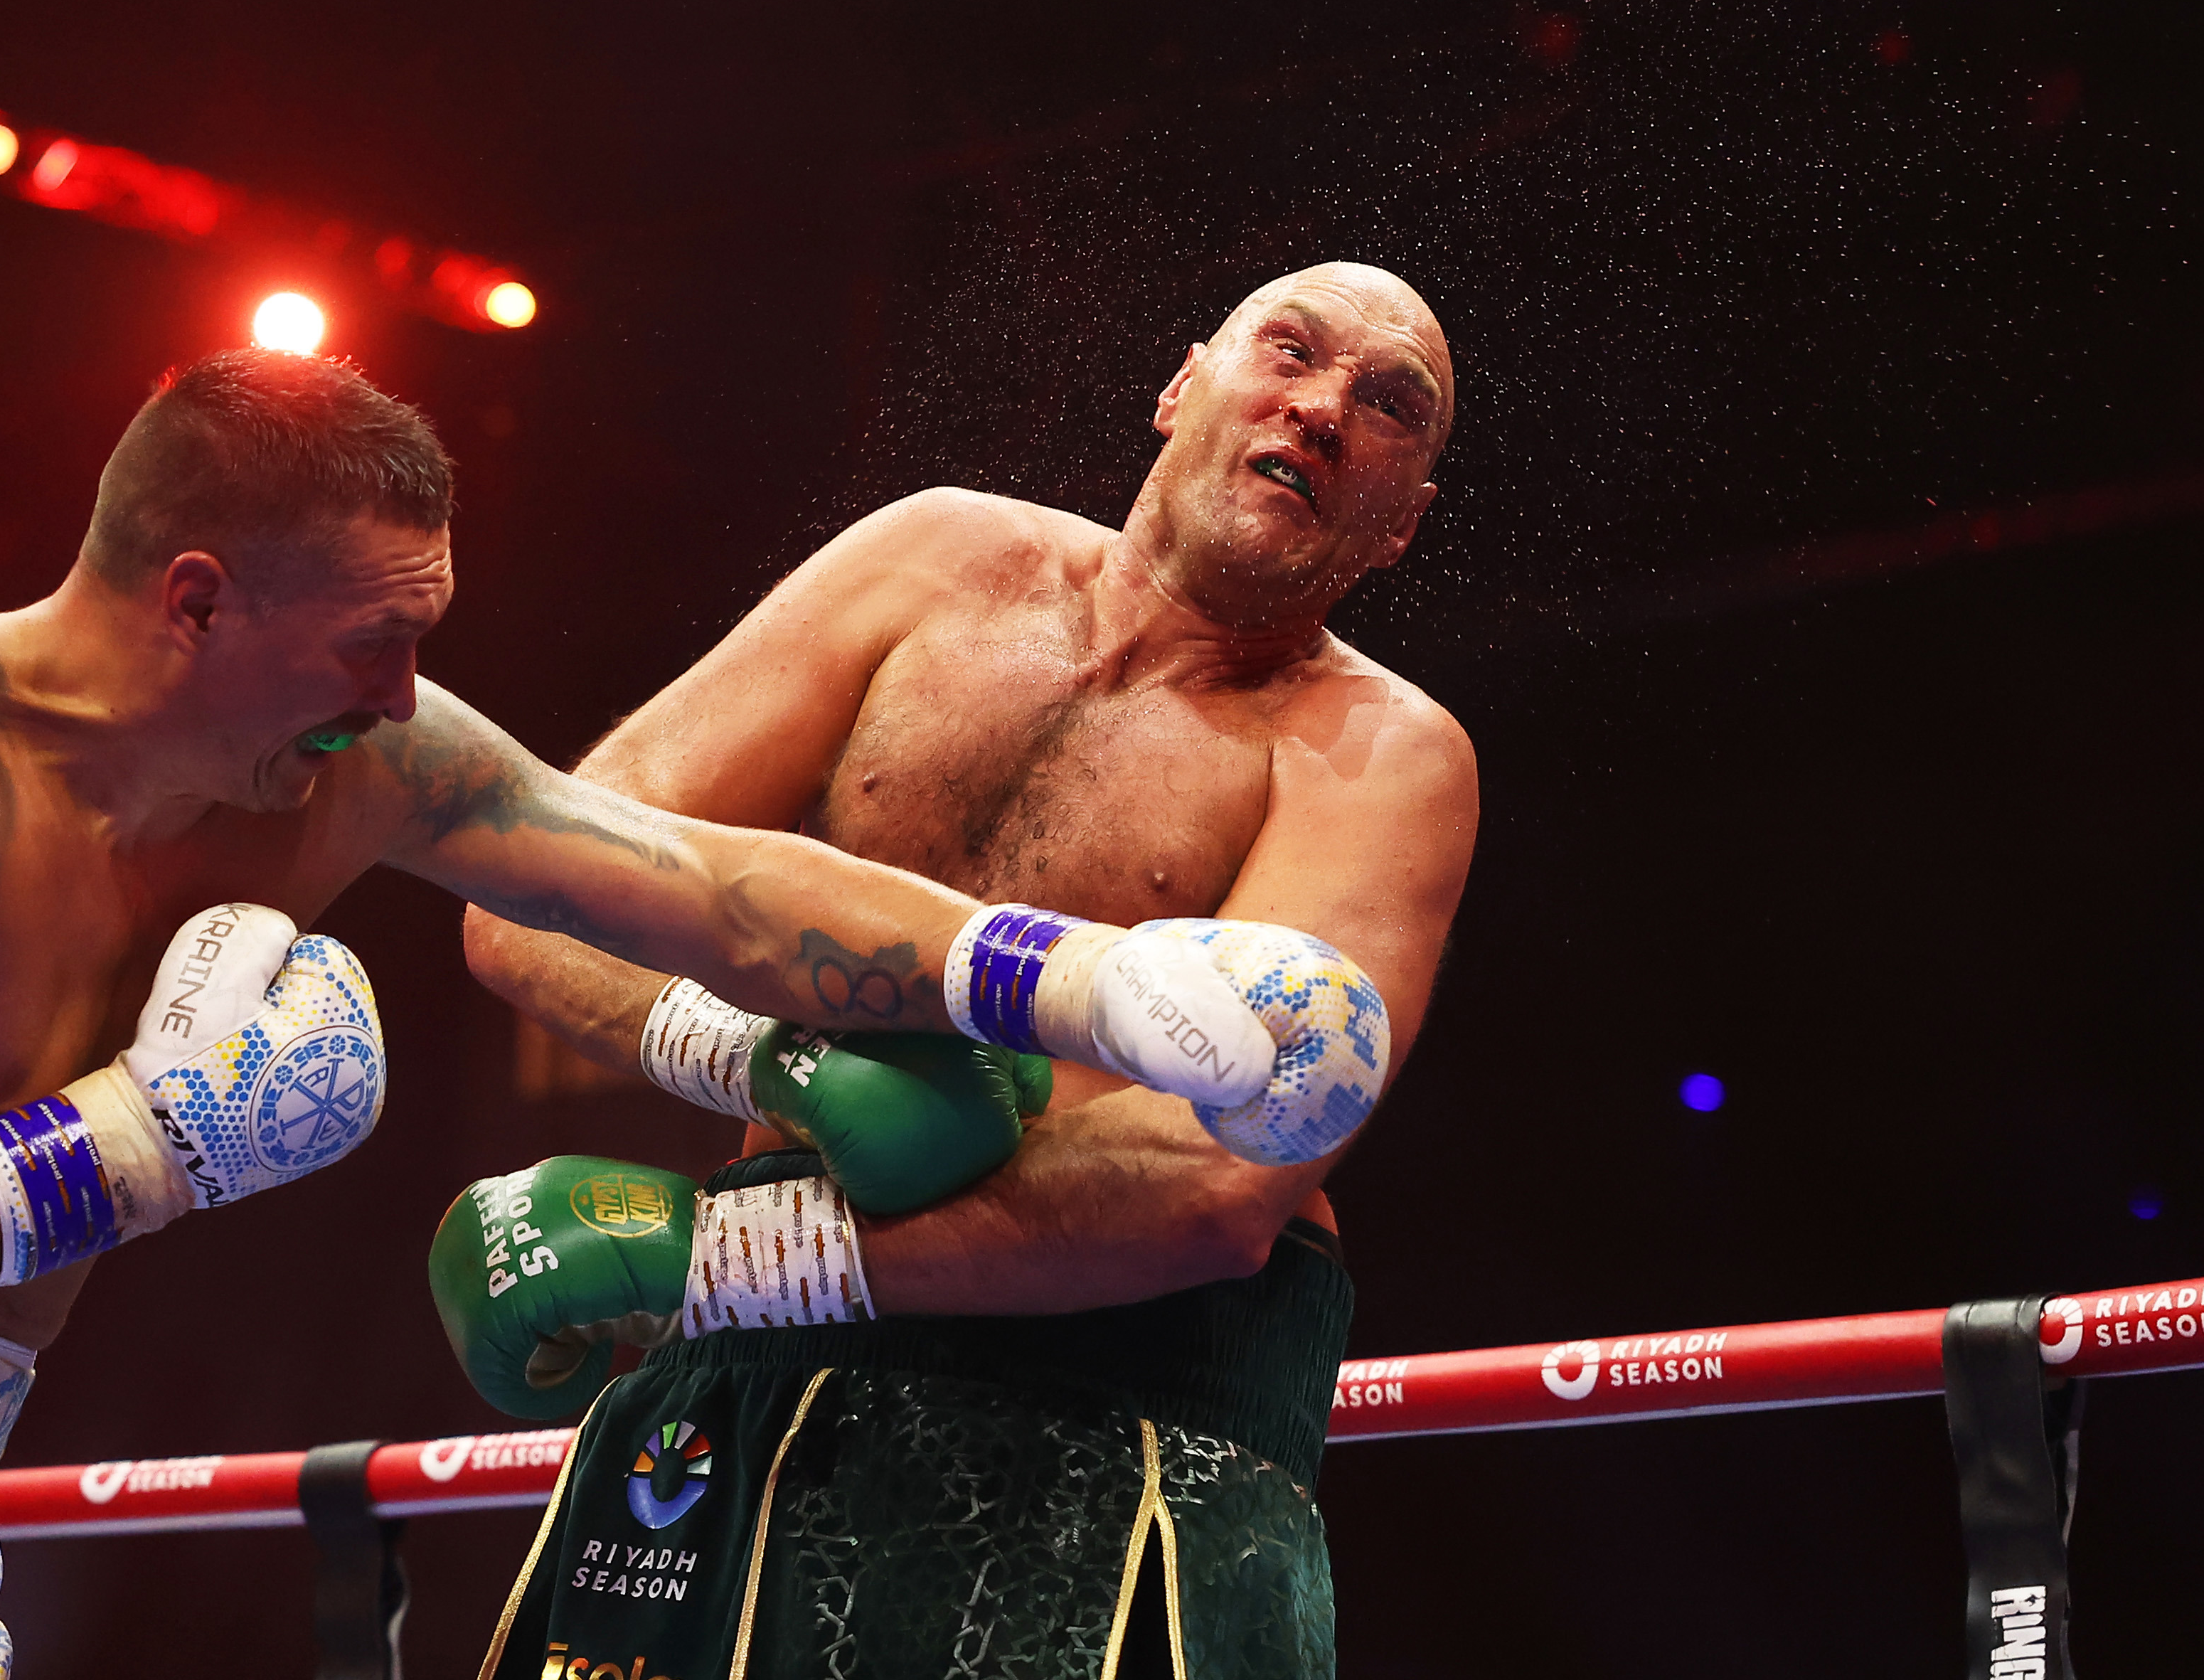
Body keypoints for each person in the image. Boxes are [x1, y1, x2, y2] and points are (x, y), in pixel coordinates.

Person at [0, 347, 1345, 1679]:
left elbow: (697, 886)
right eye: (374, 640)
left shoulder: (353, 760)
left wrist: (1074, 977)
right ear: (195, 601)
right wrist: (148, 1138)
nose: (408, 690)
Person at [444, 263, 1478, 1679]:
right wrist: (771, 1060)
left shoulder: (1379, 753)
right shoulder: (930, 562)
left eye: (1385, 407)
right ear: (1184, 386)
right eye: (1288, 353)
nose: (1319, 408)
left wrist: (715, 1259)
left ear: (1401, 522)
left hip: (1119, 1409)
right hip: (744, 1382)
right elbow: (541, 881)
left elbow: (1213, 1185)